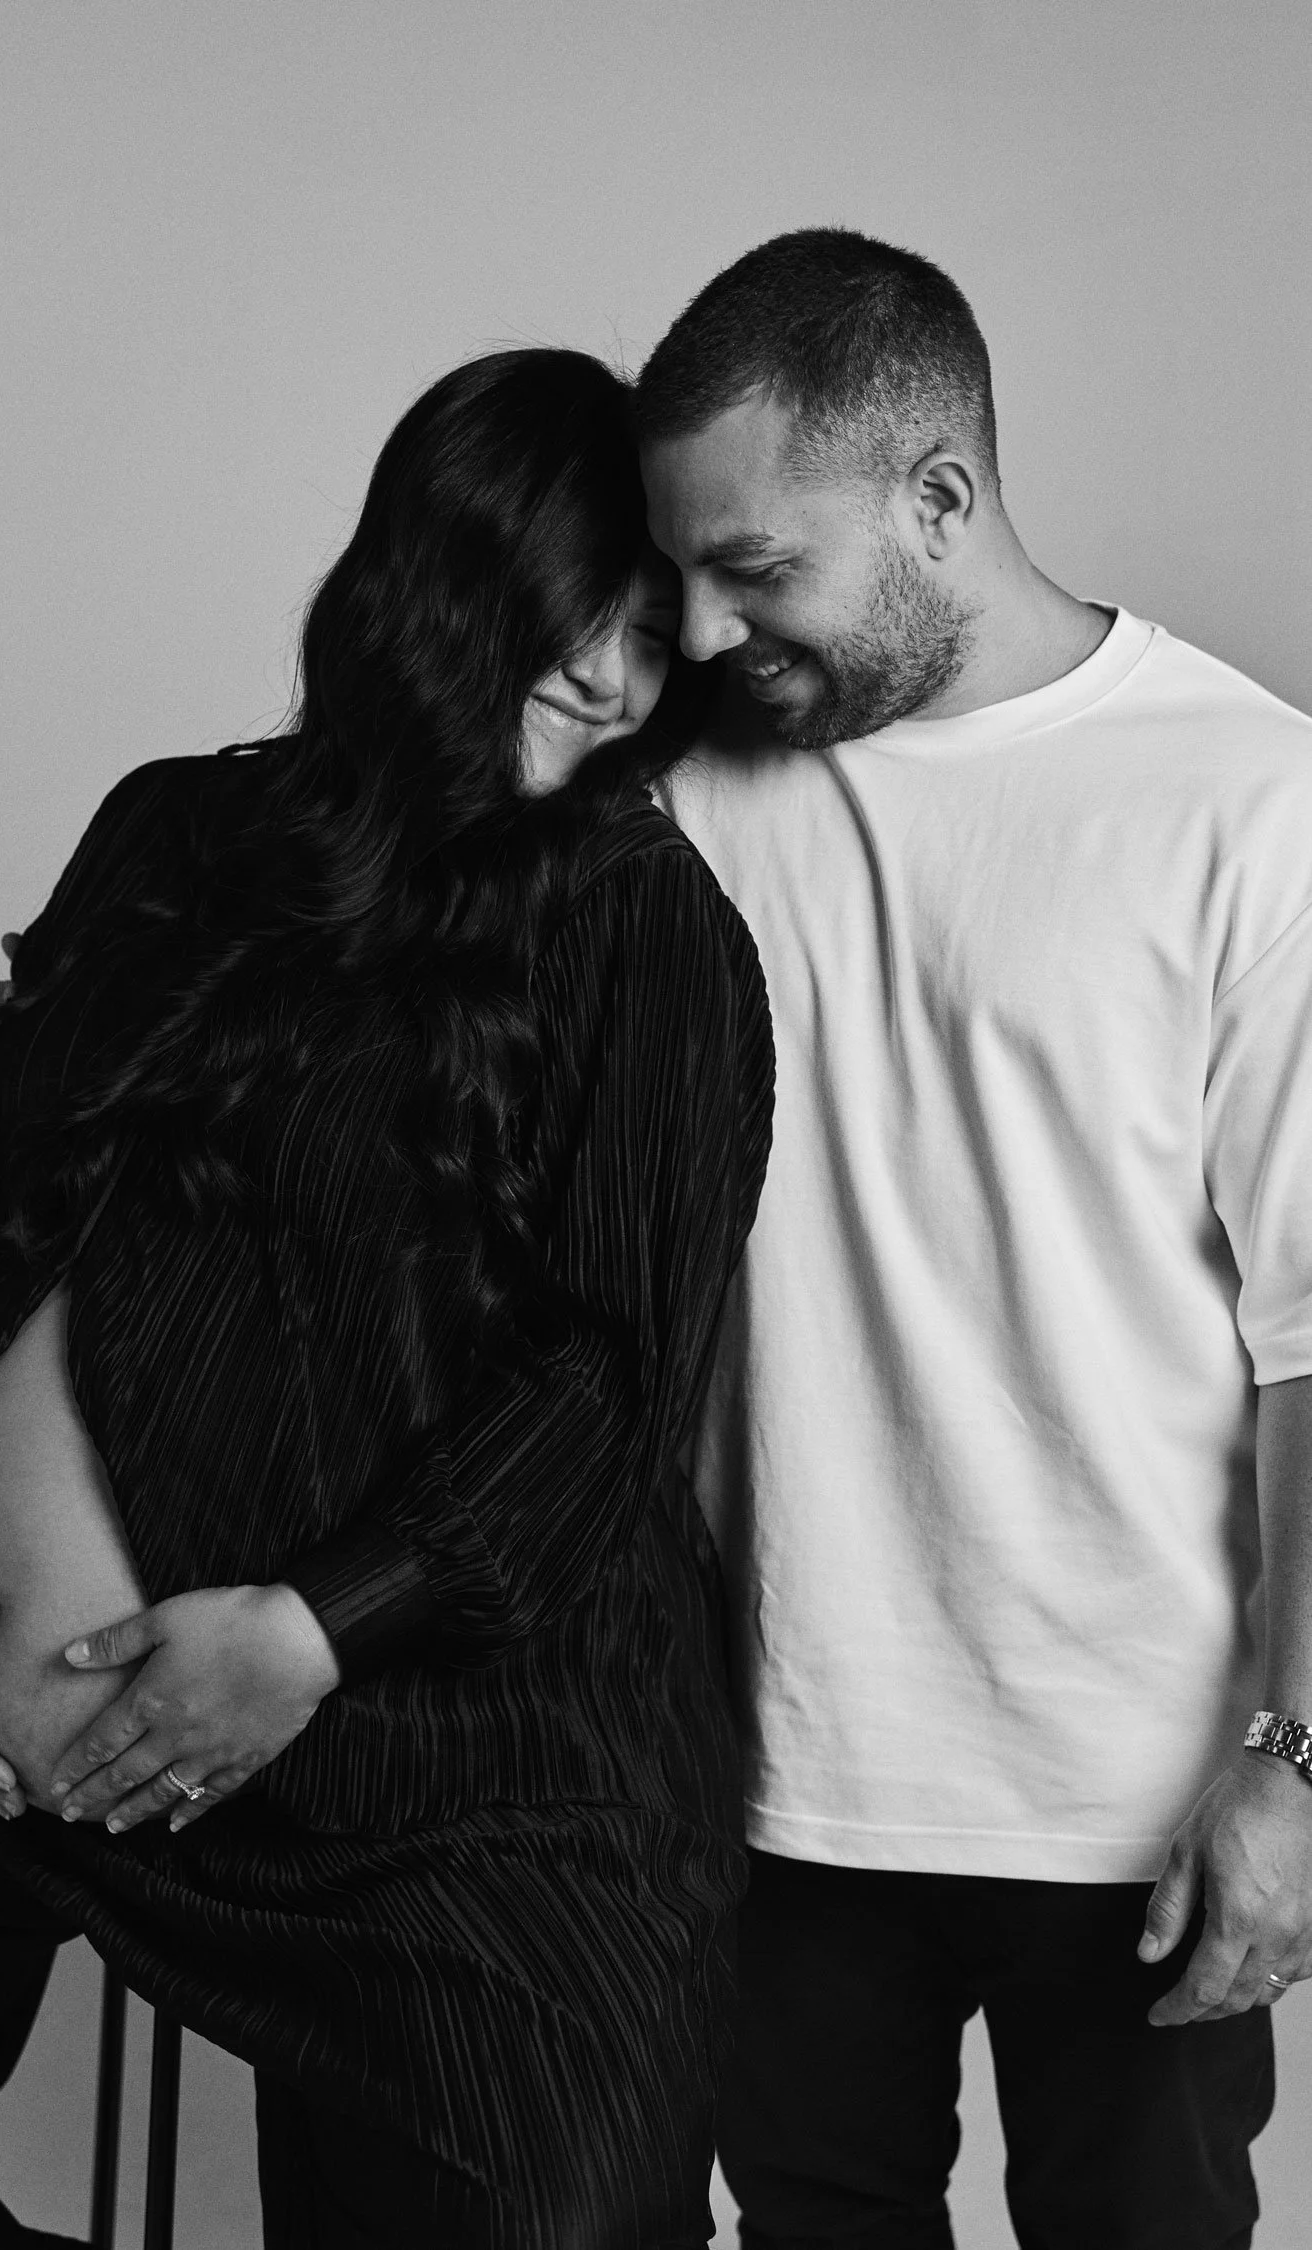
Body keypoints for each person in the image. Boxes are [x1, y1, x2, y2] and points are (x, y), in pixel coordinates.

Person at [0, 347, 774, 2250]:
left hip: (445, 1782)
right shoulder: (171, 832)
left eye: (655, 634)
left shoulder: (644, 928)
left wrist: (322, 1630)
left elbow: (610, 1383)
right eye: (568, 608)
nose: (609, 674)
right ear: (436, 569)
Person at [632, 228, 1312, 2249]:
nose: (701, 623)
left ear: (938, 497)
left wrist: (1296, 1760)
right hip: (783, 1779)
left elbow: (1311, 1350)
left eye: (755, 568)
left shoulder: (1249, 800)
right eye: (681, 570)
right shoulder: (702, 797)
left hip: (1141, 1794)